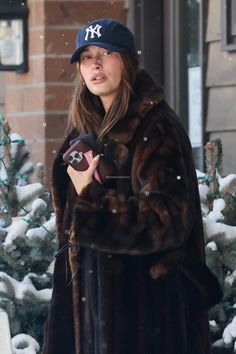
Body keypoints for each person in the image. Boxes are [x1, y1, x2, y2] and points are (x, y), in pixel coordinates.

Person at [42, 18, 222, 354]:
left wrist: (89, 197)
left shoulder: (157, 129)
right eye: (86, 57)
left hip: (147, 318)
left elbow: (165, 221)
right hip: (89, 319)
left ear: (127, 60)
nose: (95, 64)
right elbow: (71, 247)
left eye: (106, 53)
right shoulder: (81, 135)